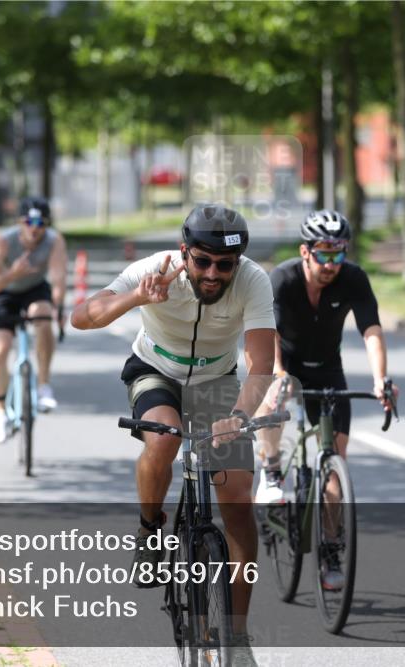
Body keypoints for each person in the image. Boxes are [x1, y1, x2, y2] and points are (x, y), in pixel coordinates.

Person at [71, 205, 274, 665]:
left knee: (239, 498)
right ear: (185, 252)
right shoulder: (154, 270)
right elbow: (82, 316)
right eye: (202, 261)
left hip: (218, 382)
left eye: (225, 265)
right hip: (155, 370)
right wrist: (135, 300)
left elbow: (262, 365)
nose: (212, 273)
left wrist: (239, 417)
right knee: (164, 439)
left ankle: (236, 637)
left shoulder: (253, 281)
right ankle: (149, 530)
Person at [254, 209, 400, 590]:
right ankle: (271, 471)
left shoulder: (353, 278)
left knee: (334, 470)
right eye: (324, 253)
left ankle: (331, 548)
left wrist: (381, 378)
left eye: (339, 253)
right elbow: (266, 332)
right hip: (285, 364)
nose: (332, 262)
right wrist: (279, 375)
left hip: (328, 371)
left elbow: (371, 330)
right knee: (270, 402)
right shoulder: (282, 279)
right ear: (306, 252)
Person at [0, 196, 67, 446]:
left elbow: (58, 280)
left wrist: (58, 309)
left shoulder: (53, 241)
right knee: (0, 348)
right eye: (29, 221)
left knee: (43, 315)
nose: (35, 228)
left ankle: (43, 386)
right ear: (20, 222)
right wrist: (11, 274)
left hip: (34, 289)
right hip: (2, 291)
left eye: (41, 223)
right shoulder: (3, 242)